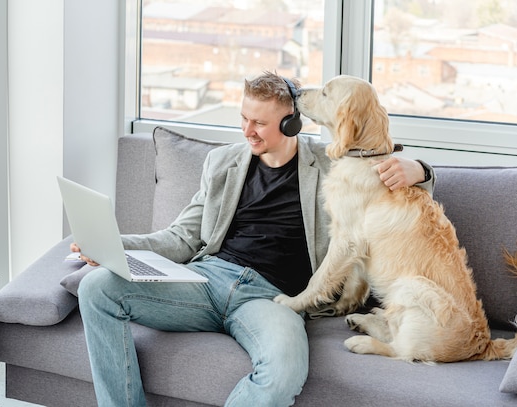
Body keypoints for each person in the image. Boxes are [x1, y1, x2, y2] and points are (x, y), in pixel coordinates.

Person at [74, 71, 434, 407]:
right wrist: (114, 245)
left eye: (260, 123)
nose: (248, 131)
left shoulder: (332, 167)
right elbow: (182, 237)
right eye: (244, 119)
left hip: (271, 299)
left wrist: (420, 170)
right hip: (205, 281)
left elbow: (392, 179)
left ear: (292, 122)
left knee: (283, 374)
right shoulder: (222, 162)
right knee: (97, 288)